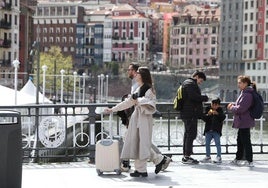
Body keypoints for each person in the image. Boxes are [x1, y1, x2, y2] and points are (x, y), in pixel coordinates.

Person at [105, 67, 164, 177]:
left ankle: (144, 168)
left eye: (137, 73)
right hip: (137, 118)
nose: (135, 75)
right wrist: (112, 109)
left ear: (141, 75)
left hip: (144, 119)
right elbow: (127, 103)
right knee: (136, 142)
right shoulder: (139, 89)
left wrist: (138, 100)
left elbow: (152, 103)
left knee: (143, 143)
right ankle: (142, 169)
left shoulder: (149, 89)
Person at [126, 63, 172, 172]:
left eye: (130, 70)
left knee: (140, 143)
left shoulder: (142, 86)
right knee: (140, 142)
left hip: (141, 118)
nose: (128, 71)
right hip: (136, 117)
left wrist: (135, 100)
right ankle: (159, 159)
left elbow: (142, 101)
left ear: (136, 72)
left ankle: (157, 160)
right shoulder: (137, 84)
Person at [180, 70, 208, 164]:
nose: (201, 82)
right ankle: (187, 156)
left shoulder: (188, 83)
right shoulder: (190, 83)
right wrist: (204, 98)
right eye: (201, 80)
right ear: (196, 76)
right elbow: (193, 97)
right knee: (191, 134)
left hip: (189, 113)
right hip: (190, 113)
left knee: (188, 134)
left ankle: (186, 155)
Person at [227, 75, 255, 167]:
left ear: (245, 83)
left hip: (244, 121)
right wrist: (234, 104)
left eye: (240, 83)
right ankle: (238, 158)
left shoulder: (247, 94)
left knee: (246, 141)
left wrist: (232, 107)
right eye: (238, 83)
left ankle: (249, 160)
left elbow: (241, 108)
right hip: (242, 121)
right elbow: (240, 105)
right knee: (240, 140)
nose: (238, 84)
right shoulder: (244, 92)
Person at [201, 98, 226, 163]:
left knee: (217, 143)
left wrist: (217, 114)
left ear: (218, 105)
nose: (214, 106)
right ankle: (208, 156)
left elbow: (223, 117)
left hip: (216, 130)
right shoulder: (208, 109)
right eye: (212, 104)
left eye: (215, 105)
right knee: (207, 143)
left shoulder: (220, 110)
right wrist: (207, 115)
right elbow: (203, 118)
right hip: (208, 130)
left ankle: (219, 156)